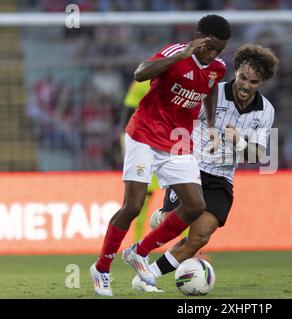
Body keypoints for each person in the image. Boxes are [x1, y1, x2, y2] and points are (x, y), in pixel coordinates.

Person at [89, 14, 231, 296]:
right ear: (197, 37)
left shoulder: (218, 68)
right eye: (210, 46)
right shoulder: (175, 54)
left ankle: (138, 252)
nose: (213, 53)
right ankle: (102, 268)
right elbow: (140, 73)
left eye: (219, 50)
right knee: (133, 206)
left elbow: (211, 87)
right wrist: (181, 55)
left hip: (178, 140)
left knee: (193, 206)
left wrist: (212, 124)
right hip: (144, 134)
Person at [131, 43, 279, 291]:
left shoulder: (266, 111)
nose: (245, 85)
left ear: (261, 82)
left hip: (222, 178)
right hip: (192, 168)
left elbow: (261, 155)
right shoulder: (214, 93)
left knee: (199, 236)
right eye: (243, 77)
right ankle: (163, 217)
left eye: (253, 82)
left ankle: (149, 275)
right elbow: (180, 118)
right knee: (171, 223)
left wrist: (240, 142)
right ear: (236, 72)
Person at [119, 80, 160, 241]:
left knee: (185, 198)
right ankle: (136, 244)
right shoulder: (142, 83)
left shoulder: (186, 81)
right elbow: (127, 117)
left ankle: (188, 248)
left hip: (172, 145)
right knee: (140, 200)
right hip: (146, 147)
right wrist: (127, 153)